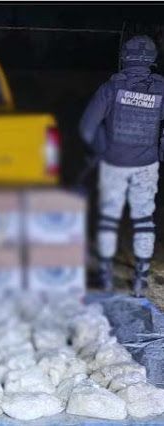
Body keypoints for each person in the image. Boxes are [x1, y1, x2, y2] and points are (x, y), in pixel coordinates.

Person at [79, 35, 164, 297]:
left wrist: (101, 148)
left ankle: (106, 276)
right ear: (152, 59)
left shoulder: (111, 88)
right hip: (146, 164)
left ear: (125, 57)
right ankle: (140, 278)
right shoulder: (161, 89)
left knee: (108, 218)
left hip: (114, 163)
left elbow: (86, 129)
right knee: (144, 219)